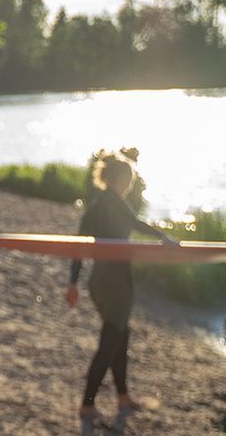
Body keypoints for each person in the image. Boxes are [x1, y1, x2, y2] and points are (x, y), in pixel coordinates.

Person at [63, 149, 177, 421]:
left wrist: (73, 284)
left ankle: (123, 398)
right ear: (118, 179)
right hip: (116, 283)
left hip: (98, 281)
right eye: (129, 179)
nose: (130, 184)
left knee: (120, 339)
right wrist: (163, 237)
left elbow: (78, 248)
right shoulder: (113, 201)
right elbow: (135, 223)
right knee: (110, 341)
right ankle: (87, 404)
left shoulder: (95, 206)